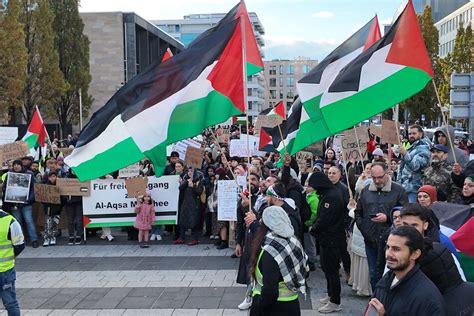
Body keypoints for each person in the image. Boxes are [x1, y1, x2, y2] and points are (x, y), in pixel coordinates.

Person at [400, 204, 474, 315]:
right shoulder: (396, 246)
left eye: (414, 225)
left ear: (425, 225)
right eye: (405, 225)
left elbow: (457, 277)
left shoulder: (442, 244)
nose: (409, 230)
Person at [354, 162, 408, 291]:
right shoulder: (366, 191)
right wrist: (364, 229)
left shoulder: (399, 190)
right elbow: (358, 212)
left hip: (391, 241)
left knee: (390, 276)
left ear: (387, 173)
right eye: (374, 178)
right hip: (370, 240)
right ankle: (376, 301)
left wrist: (388, 218)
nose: (377, 180)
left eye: (380, 177)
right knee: (374, 274)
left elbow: (405, 214)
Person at [369, 226, 445, 316]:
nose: (389, 253)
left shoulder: (427, 299)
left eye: (396, 249)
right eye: (388, 247)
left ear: (415, 254)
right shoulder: (385, 280)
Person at [249, 206, 307, 316]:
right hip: (292, 305)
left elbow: (270, 291)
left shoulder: (270, 251)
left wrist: (260, 308)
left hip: (273, 309)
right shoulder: (294, 241)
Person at [308, 172, 346, 313]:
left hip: (331, 239)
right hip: (327, 239)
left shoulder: (331, 197)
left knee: (332, 271)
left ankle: (335, 301)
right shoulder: (328, 194)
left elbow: (324, 219)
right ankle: (331, 294)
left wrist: (313, 229)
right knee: (327, 268)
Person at [2, 160, 38, 248]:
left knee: (29, 221)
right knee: (17, 222)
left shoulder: (29, 174)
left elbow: (33, 188)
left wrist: (29, 199)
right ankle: (20, 240)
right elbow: (5, 188)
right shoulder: (9, 175)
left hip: (26, 203)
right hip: (14, 203)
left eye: (18, 165)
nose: (16, 166)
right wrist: (8, 197)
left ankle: (34, 240)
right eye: (15, 165)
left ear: (21, 166)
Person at [327, 166, 351, 282]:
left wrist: (345, 223)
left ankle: (348, 272)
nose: (331, 175)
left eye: (334, 173)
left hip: (340, 225)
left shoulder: (344, 189)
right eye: (329, 173)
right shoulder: (326, 187)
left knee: (343, 250)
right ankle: (335, 271)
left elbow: (347, 207)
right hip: (329, 225)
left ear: (339, 175)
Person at [0, 208, 26, 315]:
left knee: (11, 303)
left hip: (5, 271)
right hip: (6, 270)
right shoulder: (10, 221)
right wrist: (12, 256)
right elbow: (19, 245)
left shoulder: (10, 220)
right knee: (10, 303)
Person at [397, 125, 431, 203]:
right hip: (405, 187)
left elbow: (416, 166)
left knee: (411, 212)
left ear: (421, 134)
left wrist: (405, 154)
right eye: (410, 134)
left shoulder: (424, 148)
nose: (411, 136)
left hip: (414, 189)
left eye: (414, 133)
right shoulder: (413, 147)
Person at [175, 167, 203, 246]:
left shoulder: (199, 181)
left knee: (193, 221)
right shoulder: (186, 180)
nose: (190, 172)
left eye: (191, 171)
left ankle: (194, 239)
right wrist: (186, 182)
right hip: (186, 203)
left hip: (194, 204)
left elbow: (199, 192)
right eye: (189, 171)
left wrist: (192, 186)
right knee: (182, 220)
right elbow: (180, 188)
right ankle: (181, 237)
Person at [41, 171, 62, 247]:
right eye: (50, 177)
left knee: (54, 223)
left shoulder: (60, 186)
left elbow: (62, 197)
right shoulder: (45, 186)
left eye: (54, 176)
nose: (52, 178)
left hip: (57, 208)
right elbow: (42, 197)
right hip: (48, 208)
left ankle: (53, 237)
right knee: (47, 223)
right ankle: (46, 238)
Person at [62, 170, 83, 245]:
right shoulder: (66, 178)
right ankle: (71, 236)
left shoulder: (82, 177)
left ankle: (78, 235)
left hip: (79, 202)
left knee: (79, 220)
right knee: (70, 220)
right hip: (69, 202)